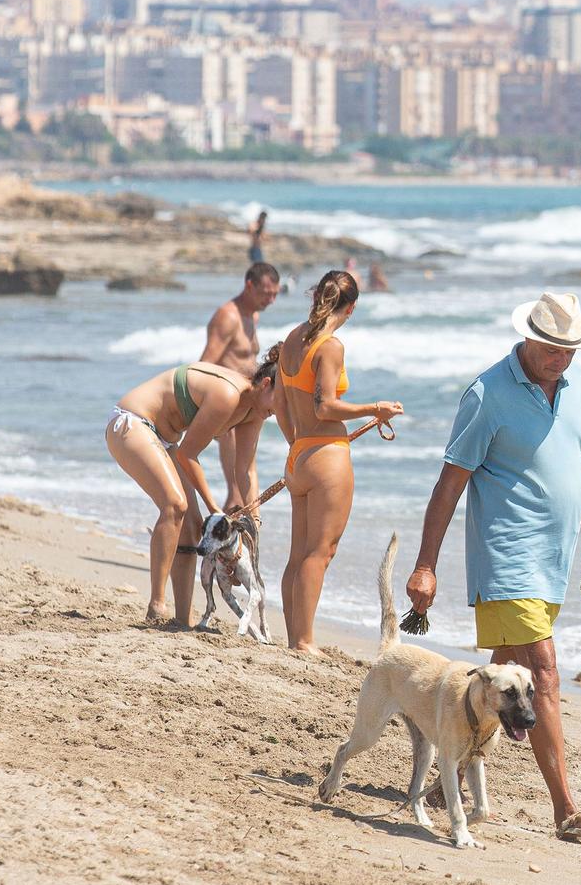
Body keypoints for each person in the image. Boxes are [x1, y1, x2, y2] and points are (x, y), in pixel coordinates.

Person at [406, 291, 581, 841]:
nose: (561, 358)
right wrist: (426, 565)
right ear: (529, 337)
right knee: (542, 671)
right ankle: (564, 807)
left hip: (553, 560)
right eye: (552, 347)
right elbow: (451, 483)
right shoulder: (486, 394)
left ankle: (443, 765)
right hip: (505, 557)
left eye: (570, 348)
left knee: (497, 678)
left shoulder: (577, 382)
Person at [274, 268, 403, 655]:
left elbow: (280, 405)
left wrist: (297, 444)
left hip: (298, 456)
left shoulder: (290, 341)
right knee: (320, 552)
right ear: (350, 307)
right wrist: (373, 409)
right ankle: (304, 641)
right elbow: (326, 405)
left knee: (298, 555)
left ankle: (294, 636)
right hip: (327, 457)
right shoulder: (331, 346)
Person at [103, 354, 278, 625]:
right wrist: (215, 509)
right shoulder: (228, 393)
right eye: (282, 401)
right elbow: (188, 455)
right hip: (132, 422)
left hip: (164, 440)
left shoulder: (254, 412)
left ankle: (182, 620)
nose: (281, 412)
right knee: (175, 505)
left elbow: (245, 471)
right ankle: (157, 605)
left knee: (193, 526)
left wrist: (254, 521)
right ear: (266, 384)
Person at [200, 262, 282, 512]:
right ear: (249, 285)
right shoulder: (228, 316)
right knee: (237, 492)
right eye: (265, 293)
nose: (270, 300)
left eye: (275, 294)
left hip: (250, 407)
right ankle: (217, 546)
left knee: (245, 484)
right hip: (229, 410)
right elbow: (205, 365)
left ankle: (232, 545)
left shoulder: (251, 317)